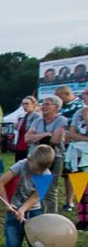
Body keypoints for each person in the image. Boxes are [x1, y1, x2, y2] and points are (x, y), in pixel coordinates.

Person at [0, 145, 55, 247]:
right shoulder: (21, 165)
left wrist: (23, 209)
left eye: (40, 170)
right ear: (29, 159)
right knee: (13, 244)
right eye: (35, 169)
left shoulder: (46, 175)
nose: (37, 172)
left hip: (34, 212)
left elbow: (35, 197)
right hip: (13, 210)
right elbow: (0, 183)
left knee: (38, 245)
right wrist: (7, 204)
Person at [25, 95, 68, 214]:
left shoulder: (61, 120)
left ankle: (51, 217)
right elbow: (27, 138)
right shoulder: (37, 121)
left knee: (50, 189)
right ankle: (40, 214)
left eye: (47, 104)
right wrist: (46, 134)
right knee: (37, 187)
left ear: (56, 107)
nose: (43, 106)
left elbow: (56, 139)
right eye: (43, 104)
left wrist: (37, 137)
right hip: (36, 157)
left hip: (54, 157)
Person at [56, 86, 85, 211]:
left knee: (80, 176)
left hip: (82, 149)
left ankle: (79, 205)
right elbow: (69, 131)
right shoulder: (64, 108)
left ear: (67, 93)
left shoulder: (79, 107)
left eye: (59, 95)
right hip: (68, 147)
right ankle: (70, 202)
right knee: (68, 174)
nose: (84, 96)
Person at [65, 91, 88, 230]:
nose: (83, 97)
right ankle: (82, 218)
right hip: (78, 154)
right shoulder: (79, 112)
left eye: (86, 94)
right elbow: (71, 134)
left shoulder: (84, 114)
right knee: (80, 187)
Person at [13, 96, 40, 162]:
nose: (25, 106)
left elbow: (34, 130)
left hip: (28, 147)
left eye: (27, 104)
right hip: (20, 146)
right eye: (23, 104)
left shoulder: (36, 116)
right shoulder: (23, 117)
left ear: (33, 104)